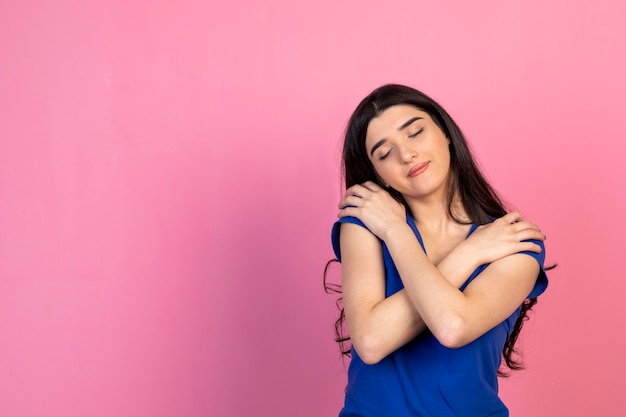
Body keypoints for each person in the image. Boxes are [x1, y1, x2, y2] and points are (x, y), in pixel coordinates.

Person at [327, 84, 549, 417]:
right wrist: (464, 253)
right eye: (384, 153)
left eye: (415, 132)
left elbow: (452, 326)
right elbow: (371, 342)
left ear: (445, 132)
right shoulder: (366, 225)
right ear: (378, 176)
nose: (406, 155)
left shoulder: (511, 241)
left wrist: (398, 232)